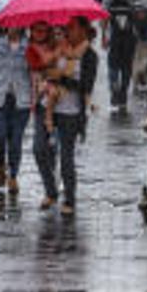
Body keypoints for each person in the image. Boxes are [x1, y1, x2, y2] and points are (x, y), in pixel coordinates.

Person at [33, 17, 97, 215]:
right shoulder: (57, 46)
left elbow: (86, 86)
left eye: (72, 28)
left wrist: (62, 79)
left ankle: (69, 198)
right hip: (47, 107)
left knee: (66, 157)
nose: (68, 31)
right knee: (39, 150)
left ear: (84, 30)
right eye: (66, 27)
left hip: (70, 112)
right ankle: (51, 191)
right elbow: (43, 70)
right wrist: (45, 78)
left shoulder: (89, 55)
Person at [0, 27, 31, 195]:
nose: (14, 28)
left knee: (16, 140)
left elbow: (35, 72)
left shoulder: (29, 47)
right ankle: (1, 163)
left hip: (21, 101)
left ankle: (13, 176)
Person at [102, 0, 137, 110]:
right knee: (126, 67)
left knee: (113, 65)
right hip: (129, 38)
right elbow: (138, 15)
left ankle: (115, 90)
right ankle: (123, 95)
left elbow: (104, 17)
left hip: (115, 38)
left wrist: (103, 36)